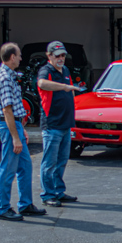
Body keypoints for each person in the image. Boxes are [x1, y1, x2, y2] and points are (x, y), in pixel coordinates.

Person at [0, 42, 46, 221]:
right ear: (12, 57)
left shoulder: (8, 76)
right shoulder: (5, 78)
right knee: (8, 168)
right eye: (19, 55)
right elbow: (7, 110)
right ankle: (3, 208)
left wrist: (21, 130)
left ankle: (25, 204)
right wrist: (15, 137)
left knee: (25, 166)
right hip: (9, 127)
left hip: (15, 126)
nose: (21, 58)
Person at [37, 40, 81, 207]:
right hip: (52, 124)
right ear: (49, 56)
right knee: (49, 163)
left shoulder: (66, 70)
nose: (61, 58)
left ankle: (58, 191)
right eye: (57, 56)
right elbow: (41, 83)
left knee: (62, 161)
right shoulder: (46, 70)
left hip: (65, 124)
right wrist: (64, 87)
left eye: (63, 55)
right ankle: (47, 194)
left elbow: (70, 90)